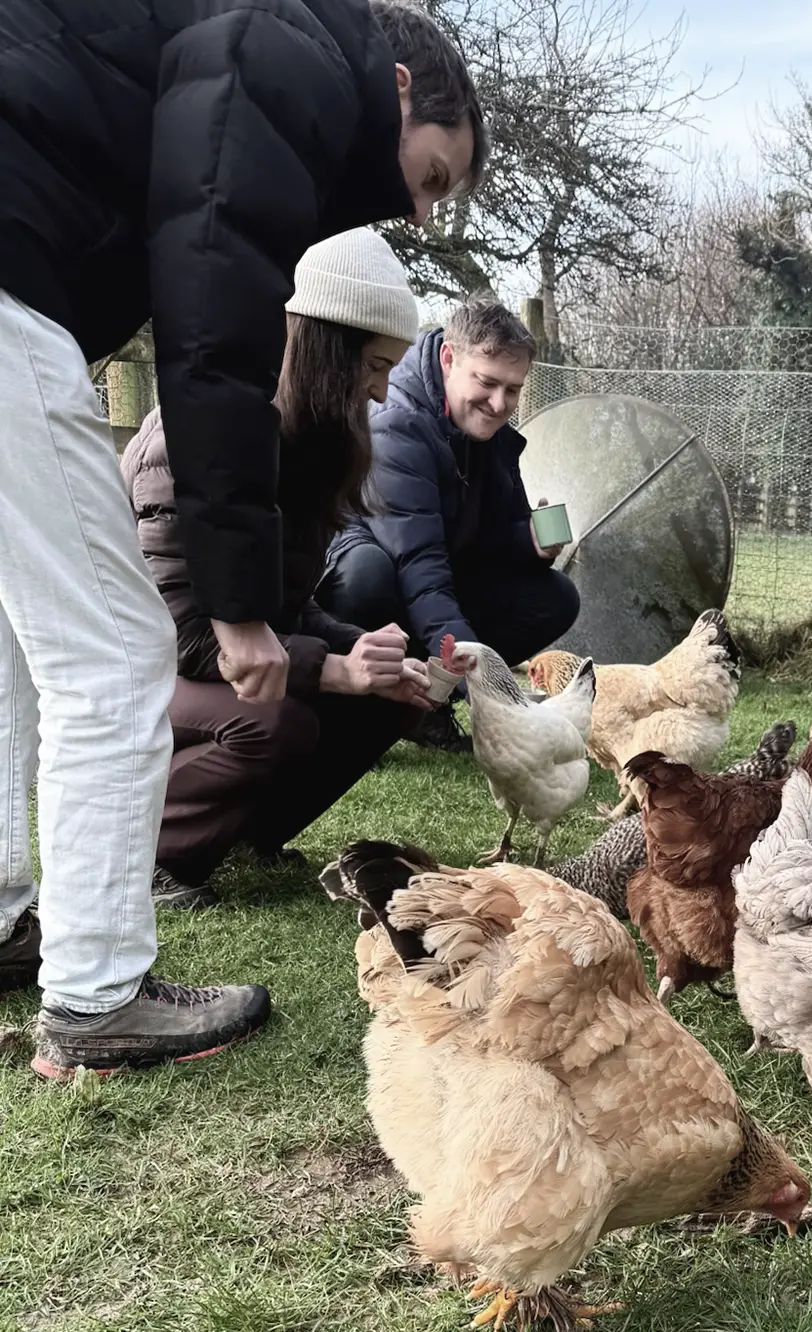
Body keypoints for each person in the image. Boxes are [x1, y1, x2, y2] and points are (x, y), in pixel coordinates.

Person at [0, 1, 484, 1078]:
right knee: (110, 656)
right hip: (8, 284)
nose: (416, 208)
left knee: (15, 648)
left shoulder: (236, 37)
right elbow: (214, 311)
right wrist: (242, 609)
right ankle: (96, 994)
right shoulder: (289, 54)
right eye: (433, 176)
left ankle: (6, 924)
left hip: (23, 270)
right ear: (401, 87)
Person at [126, 229, 435, 909]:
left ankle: (245, 828)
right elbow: (179, 634)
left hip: (204, 666)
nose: (381, 394)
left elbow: (282, 610)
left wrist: (358, 650)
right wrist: (331, 669)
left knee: (392, 691)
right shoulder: (184, 443)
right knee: (270, 723)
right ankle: (150, 854)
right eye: (375, 367)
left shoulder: (312, 444)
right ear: (327, 350)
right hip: (131, 670)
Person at [317, 297, 581, 751]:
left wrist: (528, 543)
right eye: (487, 382)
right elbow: (420, 573)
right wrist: (493, 696)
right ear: (448, 358)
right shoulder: (398, 424)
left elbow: (488, 538)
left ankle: (422, 702)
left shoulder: (482, 425)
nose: (500, 404)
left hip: (426, 569)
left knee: (553, 598)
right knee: (368, 577)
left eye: (513, 389)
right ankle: (349, 708)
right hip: (366, 564)